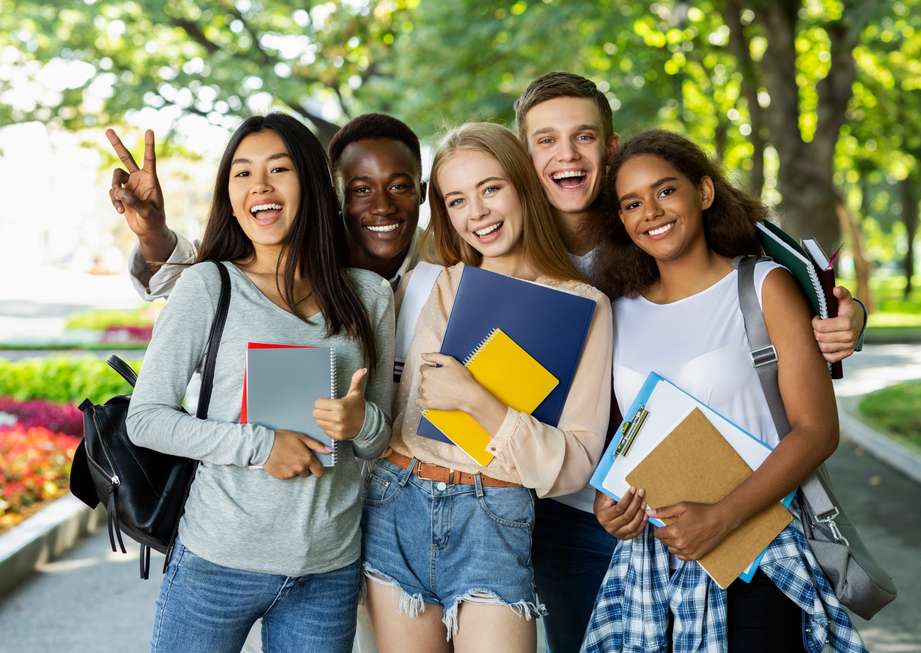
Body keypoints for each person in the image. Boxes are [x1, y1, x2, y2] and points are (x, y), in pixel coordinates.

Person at [512, 71, 868, 653]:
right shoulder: (512, 244)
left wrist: (848, 314)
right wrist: (607, 493)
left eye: (583, 136)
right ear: (525, 157)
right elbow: (634, 417)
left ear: (611, 145)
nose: (566, 154)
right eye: (545, 140)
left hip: (746, 535)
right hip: (609, 528)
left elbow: (812, 290)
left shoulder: (743, 268)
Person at [125, 113, 395, 653]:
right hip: (215, 562)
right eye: (242, 174)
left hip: (328, 569)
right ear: (228, 195)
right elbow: (145, 419)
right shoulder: (209, 284)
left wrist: (359, 421)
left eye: (279, 169)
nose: (260, 187)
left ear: (313, 185)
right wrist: (261, 445)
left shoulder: (369, 295)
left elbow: (379, 440)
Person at [361, 122, 612, 653]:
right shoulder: (438, 282)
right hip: (397, 497)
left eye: (490, 189)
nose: (477, 213)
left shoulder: (583, 305)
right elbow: (415, 406)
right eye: (456, 200)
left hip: (494, 517)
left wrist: (478, 400)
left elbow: (572, 467)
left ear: (522, 185)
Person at [111, 113, 426, 299]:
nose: (382, 206)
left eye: (399, 187)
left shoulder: (443, 267)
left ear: (422, 192)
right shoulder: (295, 250)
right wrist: (152, 232)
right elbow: (195, 275)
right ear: (335, 196)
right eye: (360, 189)